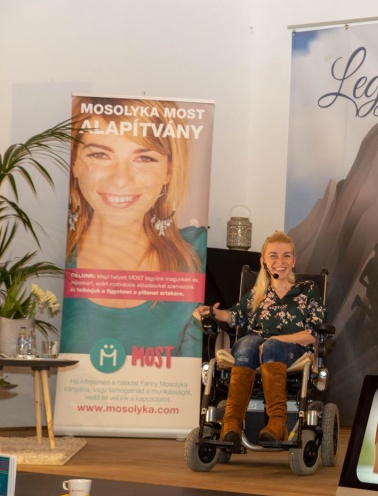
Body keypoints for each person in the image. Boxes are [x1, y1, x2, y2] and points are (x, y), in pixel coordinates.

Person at [62, 96, 207, 356]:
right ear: (74, 163)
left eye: (144, 159)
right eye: (100, 155)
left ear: (169, 170)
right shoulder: (53, 263)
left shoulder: (195, 252)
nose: (120, 179)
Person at [193, 231, 325, 445]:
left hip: (293, 350)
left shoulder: (307, 290)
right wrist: (211, 312)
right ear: (263, 260)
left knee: (272, 346)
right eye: (273, 255)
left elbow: (313, 335)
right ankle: (231, 425)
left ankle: (277, 424)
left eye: (286, 255)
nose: (280, 261)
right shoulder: (259, 293)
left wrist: (277, 340)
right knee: (246, 343)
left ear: (294, 260)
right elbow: (234, 315)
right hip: (254, 349)